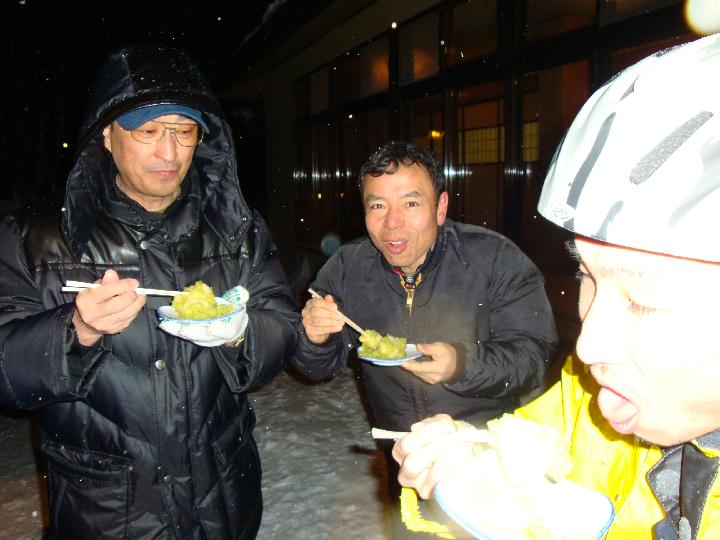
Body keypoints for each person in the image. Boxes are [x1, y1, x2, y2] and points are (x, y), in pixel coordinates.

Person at [392, 33, 720, 540]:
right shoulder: (601, 390)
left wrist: (462, 364)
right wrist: (475, 462)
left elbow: (525, 354)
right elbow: (550, 444)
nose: (587, 346)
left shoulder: (496, 258)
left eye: (642, 301)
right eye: (587, 275)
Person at [0, 45, 298, 539]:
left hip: (220, 500)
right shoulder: (36, 238)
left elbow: (283, 324)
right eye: (148, 131)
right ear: (107, 134)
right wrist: (75, 331)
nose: (169, 153)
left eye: (184, 131)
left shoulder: (235, 229)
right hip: (106, 510)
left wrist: (241, 335)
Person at [291, 141, 558, 537]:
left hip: (486, 460)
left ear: (441, 207)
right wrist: (314, 338)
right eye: (377, 205)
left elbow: (535, 356)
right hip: (405, 459)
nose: (392, 224)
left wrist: (462, 365)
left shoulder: (495, 260)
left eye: (411, 203)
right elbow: (317, 368)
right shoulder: (348, 268)